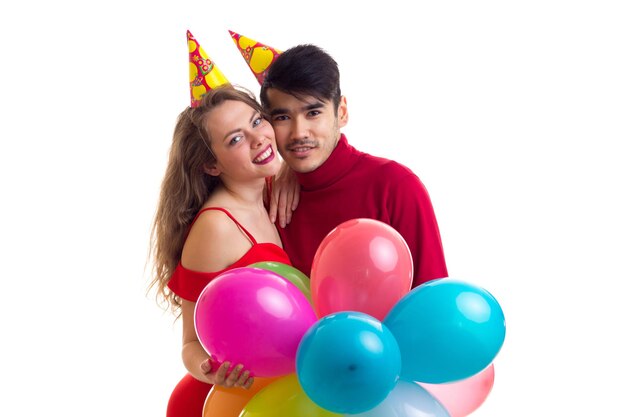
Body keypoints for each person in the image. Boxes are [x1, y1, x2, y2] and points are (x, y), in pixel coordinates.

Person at [148, 85, 291, 417]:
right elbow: (190, 344)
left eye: (257, 121)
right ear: (212, 165)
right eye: (235, 139)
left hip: (272, 396)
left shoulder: (273, 190)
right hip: (220, 401)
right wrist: (212, 369)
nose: (258, 139)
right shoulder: (216, 227)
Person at [261, 44, 448, 287]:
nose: (299, 133)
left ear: (342, 112)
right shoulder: (266, 195)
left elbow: (433, 302)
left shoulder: (396, 186)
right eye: (282, 118)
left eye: (313, 113)